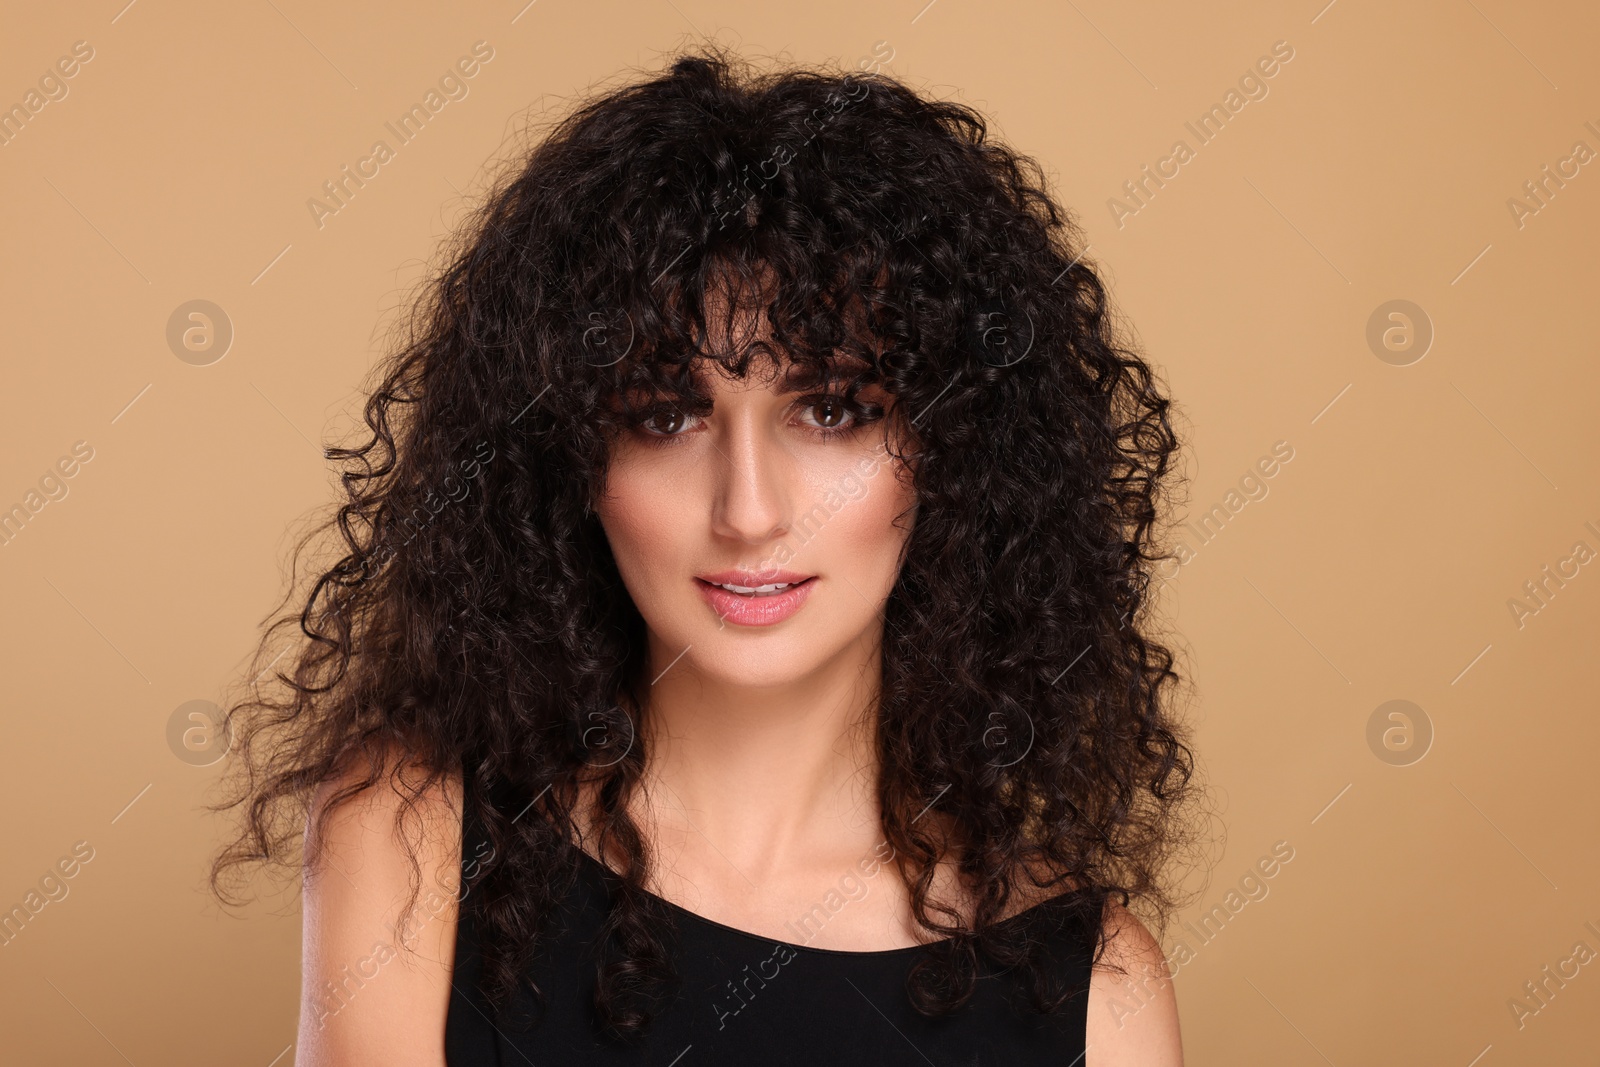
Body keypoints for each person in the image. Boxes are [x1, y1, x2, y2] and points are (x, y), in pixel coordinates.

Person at [211, 44, 1199, 1065]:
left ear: (954, 453)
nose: (749, 509)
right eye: (666, 415)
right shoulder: (412, 839)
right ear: (568, 458)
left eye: (829, 410)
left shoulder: (1094, 994)